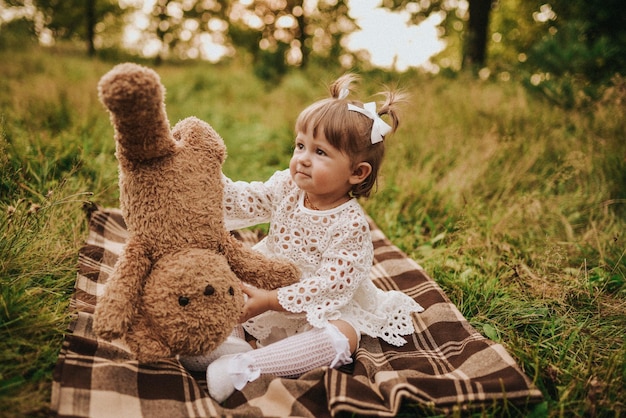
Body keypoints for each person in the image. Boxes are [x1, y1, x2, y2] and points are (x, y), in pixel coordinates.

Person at [179, 74, 424, 402]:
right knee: (227, 270)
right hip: (269, 282)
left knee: (345, 336)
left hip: (320, 305)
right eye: (300, 146)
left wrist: (268, 301)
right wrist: (207, 178)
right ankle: (227, 340)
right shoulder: (286, 186)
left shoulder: (350, 225)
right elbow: (245, 199)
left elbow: (331, 285)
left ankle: (246, 366)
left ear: (357, 172)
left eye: (320, 152)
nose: (303, 158)